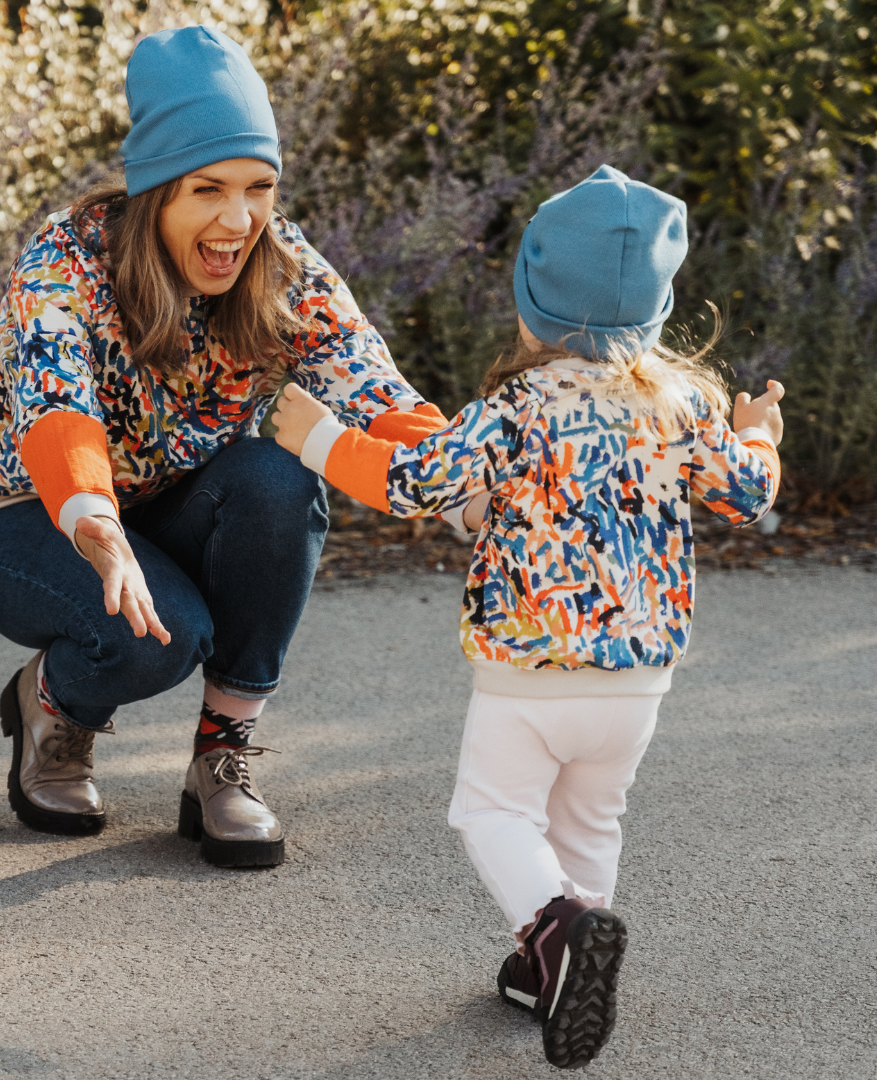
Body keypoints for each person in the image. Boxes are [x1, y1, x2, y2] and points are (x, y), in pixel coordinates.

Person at [272, 164, 783, 1067]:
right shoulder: (685, 409)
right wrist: (759, 437)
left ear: (532, 305)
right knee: (589, 821)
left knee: (492, 811)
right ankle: (555, 966)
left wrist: (318, 436)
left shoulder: (515, 407)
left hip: (529, 670)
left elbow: (415, 482)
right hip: (637, 681)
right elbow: (747, 494)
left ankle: (557, 928)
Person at [0, 26, 446, 866]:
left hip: (168, 507)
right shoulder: (66, 261)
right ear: (155, 192)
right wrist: (94, 520)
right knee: (157, 637)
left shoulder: (282, 267)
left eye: (260, 187)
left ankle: (222, 754)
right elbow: (55, 403)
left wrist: (470, 478)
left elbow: (375, 391)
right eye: (208, 188)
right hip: (34, 516)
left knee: (280, 479)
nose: (239, 219)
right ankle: (53, 705)